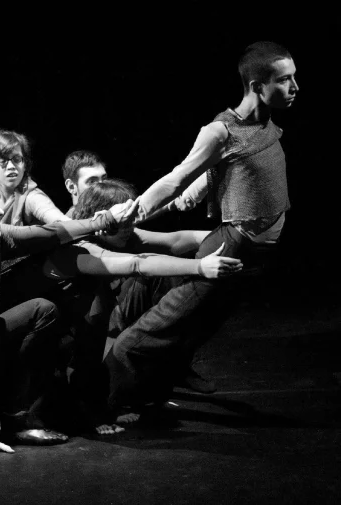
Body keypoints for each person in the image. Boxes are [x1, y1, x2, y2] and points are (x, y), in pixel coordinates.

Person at [104, 41, 298, 413]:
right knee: (150, 334)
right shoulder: (221, 131)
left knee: (196, 328)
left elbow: (222, 172)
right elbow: (176, 179)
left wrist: (192, 195)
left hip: (255, 254)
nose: (295, 87)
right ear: (256, 86)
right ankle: (109, 401)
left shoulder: (266, 124)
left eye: (294, 77)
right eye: (284, 80)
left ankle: (169, 376)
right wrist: (133, 212)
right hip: (231, 247)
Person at [0, 174, 138, 461]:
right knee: (33, 321)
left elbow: (49, 232)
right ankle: (5, 421)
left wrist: (104, 220)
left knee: (45, 315)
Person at [40, 179, 242, 432]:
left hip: (99, 321)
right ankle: (93, 409)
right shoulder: (79, 248)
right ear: (102, 221)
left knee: (163, 273)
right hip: (64, 338)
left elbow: (176, 240)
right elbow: (138, 263)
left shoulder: (120, 234)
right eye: (124, 221)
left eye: (131, 220)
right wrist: (200, 266)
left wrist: (236, 238)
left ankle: (170, 363)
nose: (130, 227)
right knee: (99, 309)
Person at [61, 150, 109, 218]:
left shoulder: (114, 214)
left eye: (104, 179)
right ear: (71, 186)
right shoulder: (67, 224)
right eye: (92, 181)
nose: (102, 186)